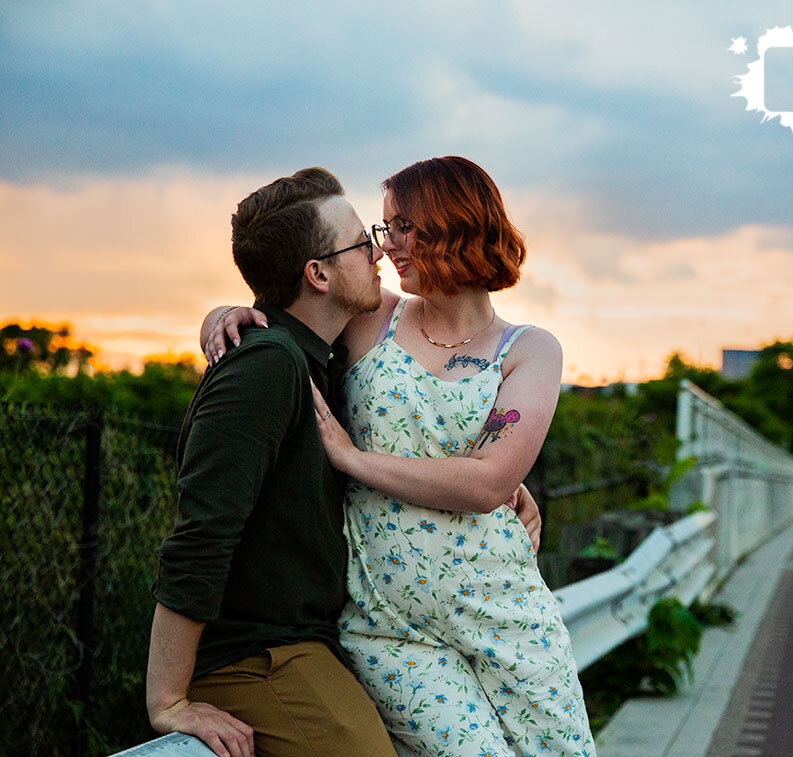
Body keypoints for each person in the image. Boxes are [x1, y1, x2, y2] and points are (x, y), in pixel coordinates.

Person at [204, 156, 595, 756]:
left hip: (506, 613)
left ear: (458, 225)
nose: (388, 248)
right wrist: (227, 315)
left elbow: (489, 481)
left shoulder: (530, 350)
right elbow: (296, 300)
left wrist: (350, 457)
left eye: (405, 227)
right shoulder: (374, 320)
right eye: (385, 229)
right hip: (392, 627)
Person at [147, 167, 397, 757]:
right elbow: (201, 533)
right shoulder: (266, 366)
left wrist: (502, 480)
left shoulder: (318, 359)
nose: (378, 253)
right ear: (318, 274)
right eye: (363, 243)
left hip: (311, 644)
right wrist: (167, 701)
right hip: (255, 658)